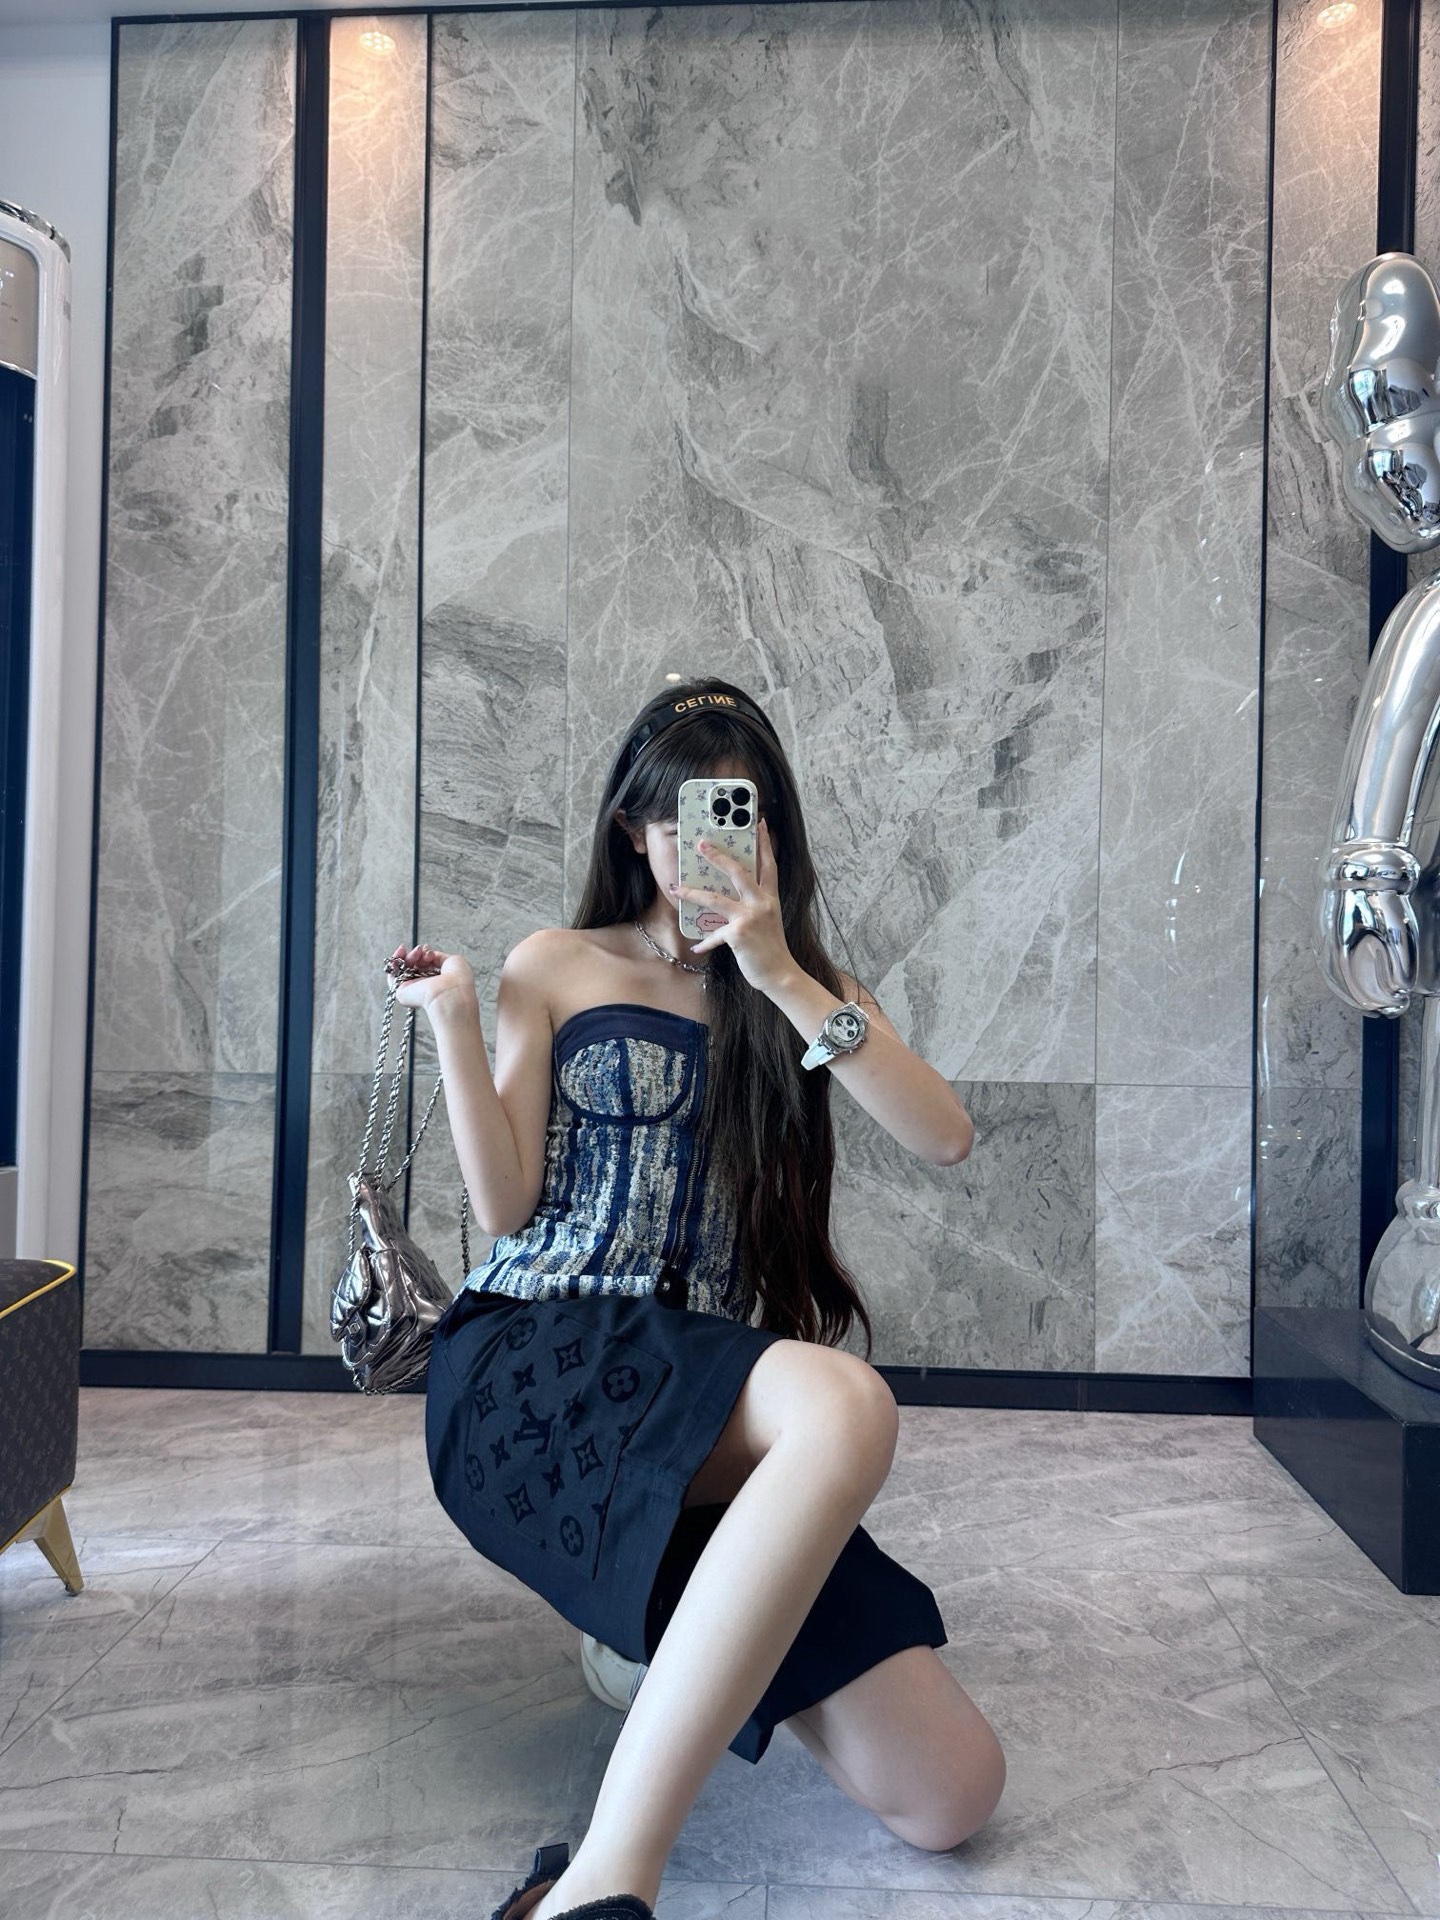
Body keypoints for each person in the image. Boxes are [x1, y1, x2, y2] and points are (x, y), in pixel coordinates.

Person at [394, 679, 1005, 1920]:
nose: (700, 845)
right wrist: (455, 1018)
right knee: (845, 1406)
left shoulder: (802, 988)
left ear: (770, 832)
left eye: (735, 814)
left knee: (954, 1793)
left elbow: (943, 1135)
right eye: (676, 819)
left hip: (695, 1395)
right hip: (542, 1361)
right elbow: (505, 1208)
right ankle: (600, 1885)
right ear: (633, 828)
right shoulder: (557, 963)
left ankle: (650, 1630)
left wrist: (776, 973)